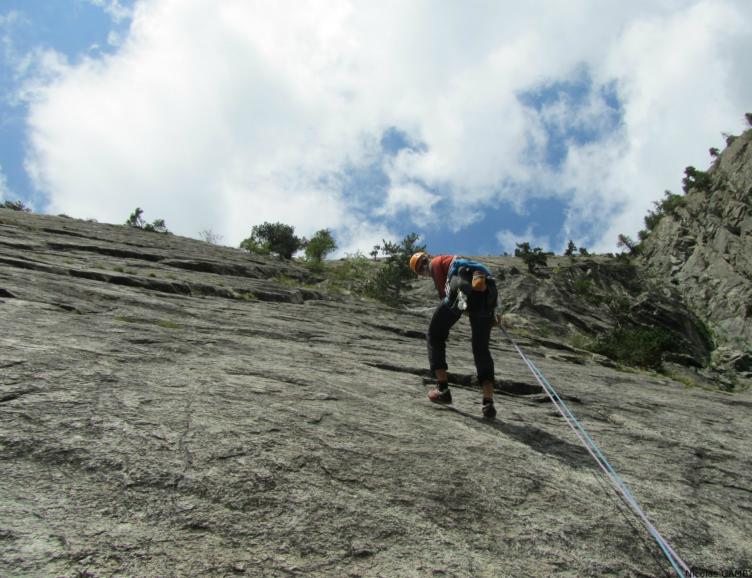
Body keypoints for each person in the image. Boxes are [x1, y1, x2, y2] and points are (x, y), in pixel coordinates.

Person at [409, 251, 502, 419]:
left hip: (462, 290)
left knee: (435, 335)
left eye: (422, 268)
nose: (424, 271)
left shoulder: (437, 262)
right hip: (486, 297)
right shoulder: (467, 263)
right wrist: (495, 313)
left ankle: (442, 389)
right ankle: (488, 402)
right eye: (421, 272)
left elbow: (446, 297)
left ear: (426, 259)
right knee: (481, 350)